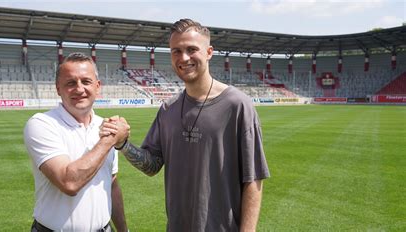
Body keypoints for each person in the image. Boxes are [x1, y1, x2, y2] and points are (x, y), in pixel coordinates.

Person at [102, 19, 270, 231]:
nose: (184, 58)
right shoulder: (168, 109)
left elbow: (253, 179)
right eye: (176, 51)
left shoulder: (237, 106)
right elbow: (152, 165)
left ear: (209, 52)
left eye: (192, 49)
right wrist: (123, 144)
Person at [24, 52, 129, 231]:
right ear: (58, 88)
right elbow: (69, 183)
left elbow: (111, 184)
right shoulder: (42, 124)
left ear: (97, 86)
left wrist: (123, 230)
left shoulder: (105, 125)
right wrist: (110, 140)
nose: (79, 89)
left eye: (86, 81)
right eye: (70, 83)